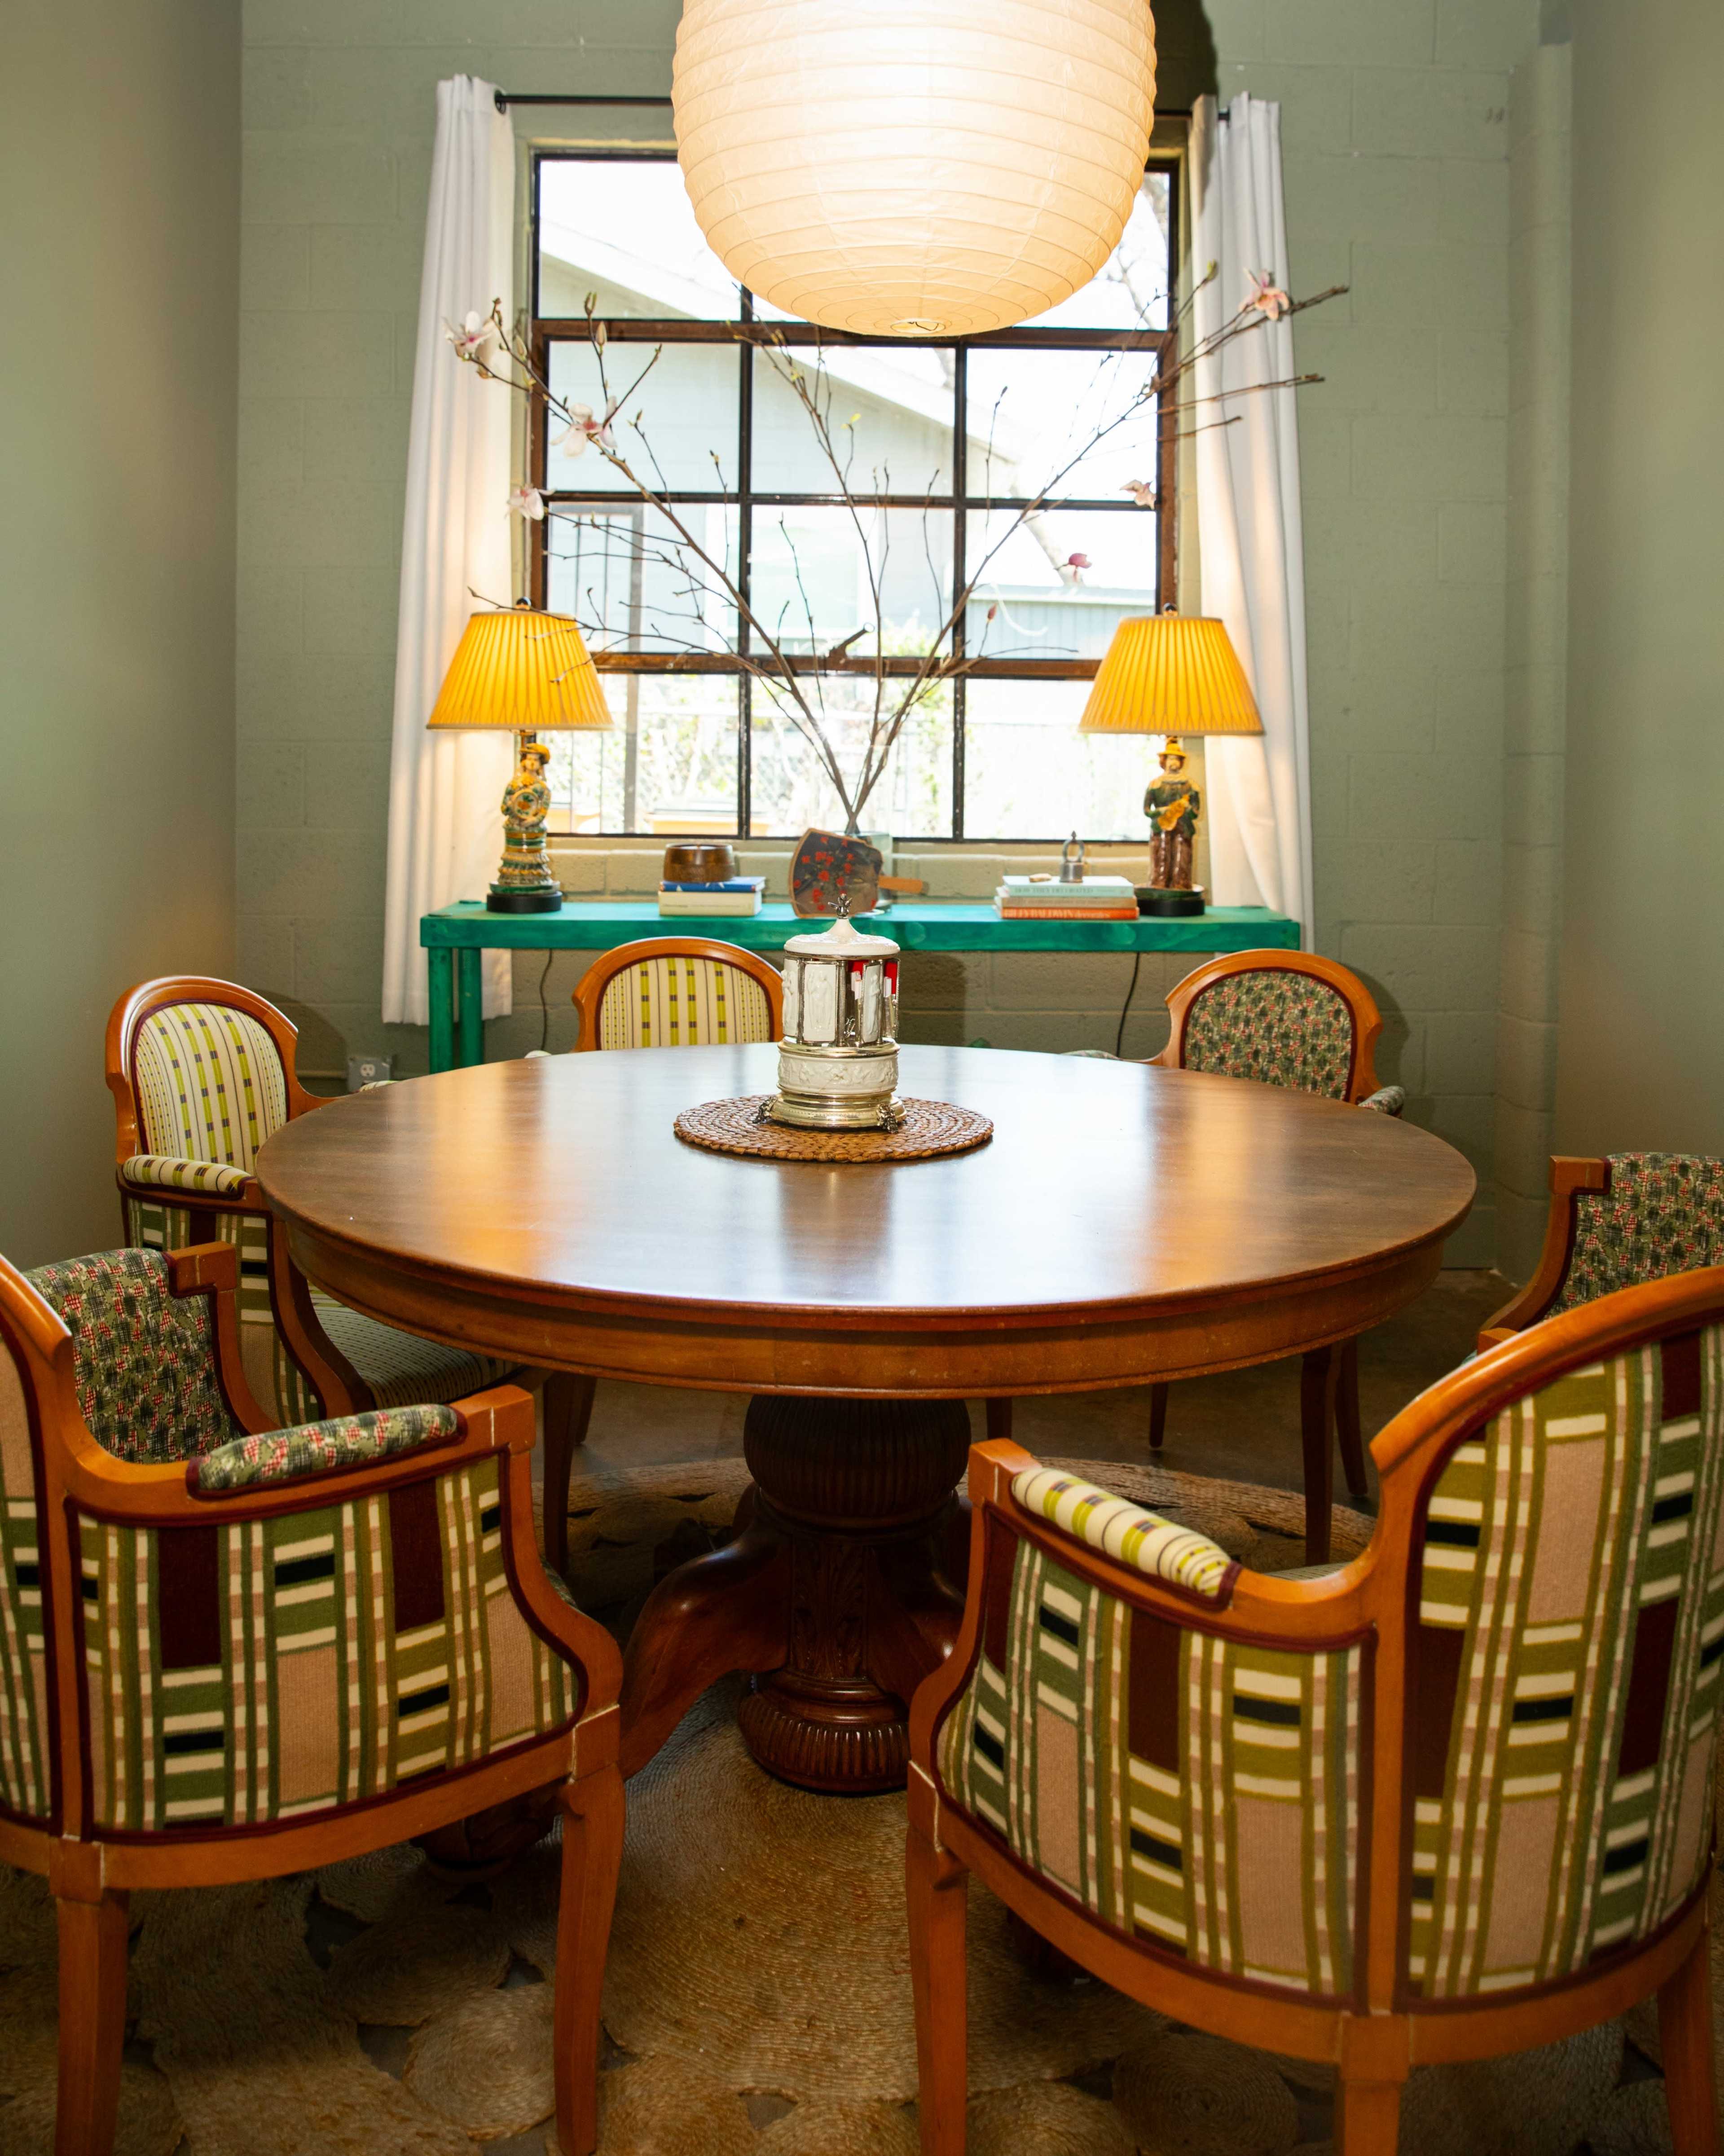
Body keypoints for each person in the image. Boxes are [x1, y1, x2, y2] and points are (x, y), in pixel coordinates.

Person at [1144, 739, 1200, 890]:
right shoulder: (1156, 784)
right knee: (1161, 855)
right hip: (1161, 826)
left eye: (1176, 758)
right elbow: (1147, 810)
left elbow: (1196, 813)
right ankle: (1159, 884)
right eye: (1170, 758)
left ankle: (1181, 884)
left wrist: (1187, 808)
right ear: (1164, 761)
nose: (1173, 762)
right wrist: (1162, 811)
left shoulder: (1190, 785)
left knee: (1182, 856)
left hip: (1184, 826)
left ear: (1181, 762)